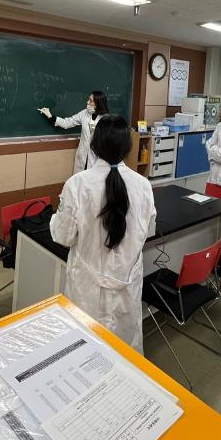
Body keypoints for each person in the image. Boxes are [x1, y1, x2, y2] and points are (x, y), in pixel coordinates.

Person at [50, 115, 156, 353]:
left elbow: (64, 236)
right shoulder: (143, 185)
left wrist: (55, 219)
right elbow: (148, 231)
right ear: (128, 146)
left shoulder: (78, 184)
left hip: (86, 289)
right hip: (126, 285)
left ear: (94, 144)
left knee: (83, 350)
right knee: (123, 351)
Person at [39, 90, 110, 174]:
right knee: (79, 179)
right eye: (88, 99)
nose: (87, 102)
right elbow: (67, 123)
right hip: (82, 155)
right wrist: (50, 116)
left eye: (90, 101)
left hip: (97, 158)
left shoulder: (106, 119)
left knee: (94, 179)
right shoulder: (84, 113)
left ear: (98, 103)